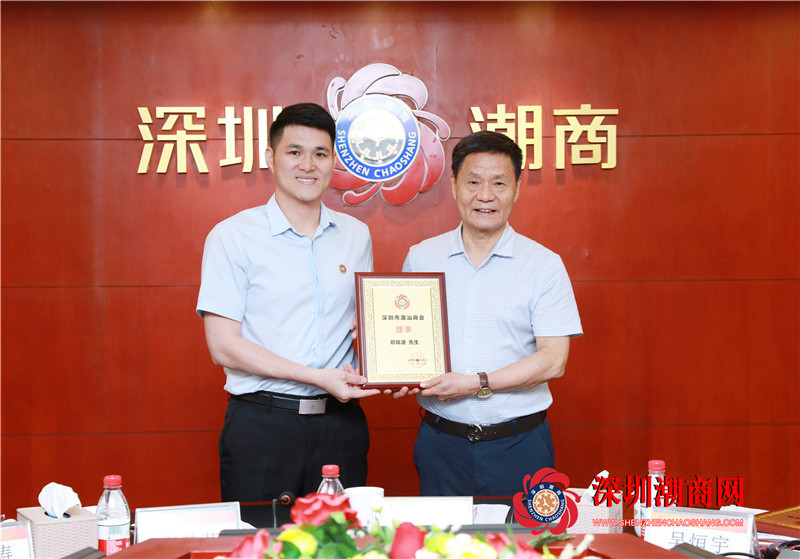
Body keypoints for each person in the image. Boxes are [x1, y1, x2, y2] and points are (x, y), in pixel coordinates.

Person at [196, 103, 379, 505]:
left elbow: (363, 324)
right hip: (262, 427)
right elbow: (223, 346)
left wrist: (379, 347)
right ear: (271, 157)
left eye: (320, 153)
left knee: (343, 538)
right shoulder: (232, 236)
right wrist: (317, 377)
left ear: (334, 161)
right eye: (295, 152)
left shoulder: (356, 235)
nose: (308, 165)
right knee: (260, 536)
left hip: (341, 425)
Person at [400, 130, 582, 497]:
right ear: (454, 185)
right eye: (473, 182)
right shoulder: (421, 258)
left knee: (525, 537)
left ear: (517, 189)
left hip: (520, 446)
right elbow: (408, 339)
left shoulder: (543, 265)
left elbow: (553, 360)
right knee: (440, 537)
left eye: (499, 183)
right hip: (441, 445)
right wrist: (393, 368)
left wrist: (475, 383)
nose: (485, 195)